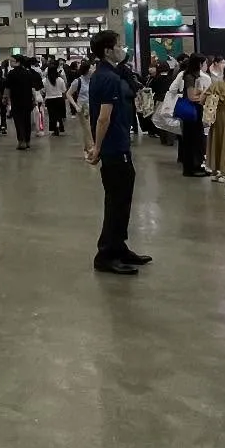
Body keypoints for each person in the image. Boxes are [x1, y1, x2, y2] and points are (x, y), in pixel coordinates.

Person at [85, 31, 149, 275]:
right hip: (113, 148)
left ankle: (119, 247)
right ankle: (106, 254)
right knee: (116, 201)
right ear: (108, 51)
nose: (123, 48)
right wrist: (97, 148)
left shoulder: (109, 73)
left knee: (122, 200)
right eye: (119, 45)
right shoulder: (108, 78)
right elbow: (103, 118)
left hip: (119, 145)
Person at [176, 54, 209, 176]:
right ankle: (190, 168)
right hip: (192, 112)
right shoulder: (190, 77)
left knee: (197, 139)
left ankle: (196, 165)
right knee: (191, 140)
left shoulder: (194, 76)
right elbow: (191, 97)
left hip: (195, 112)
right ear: (199, 64)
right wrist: (204, 95)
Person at [5, 56, 39, 150]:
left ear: (18, 62)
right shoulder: (28, 73)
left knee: (18, 121)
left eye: (12, 61)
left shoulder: (11, 73)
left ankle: (21, 141)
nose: (10, 63)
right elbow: (32, 88)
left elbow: (7, 88)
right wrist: (34, 99)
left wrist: (5, 98)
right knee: (26, 121)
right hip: (27, 100)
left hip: (16, 100)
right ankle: (27, 141)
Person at [43, 59, 68, 136]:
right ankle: (59, 126)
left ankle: (54, 129)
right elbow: (64, 90)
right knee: (59, 115)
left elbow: (43, 91)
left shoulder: (44, 81)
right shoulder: (60, 80)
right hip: (59, 99)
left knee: (52, 115)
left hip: (49, 100)